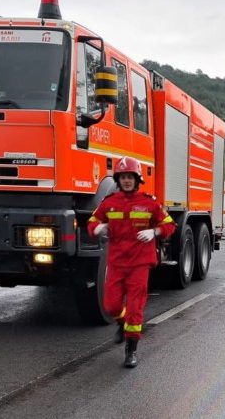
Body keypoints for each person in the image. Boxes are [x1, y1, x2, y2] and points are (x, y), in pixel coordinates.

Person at [88, 156, 176, 368]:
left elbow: (170, 225)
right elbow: (92, 221)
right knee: (111, 306)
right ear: (118, 180)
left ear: (137, 180)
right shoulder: (109, 202)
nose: (127, 180)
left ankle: (131, 350)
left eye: (130, 177)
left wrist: (154, 231)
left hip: (140, 264)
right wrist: (97, 228)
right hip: (116, 263)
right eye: (123, 177)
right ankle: (122, 322)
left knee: (135, 308)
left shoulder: (149, 202)